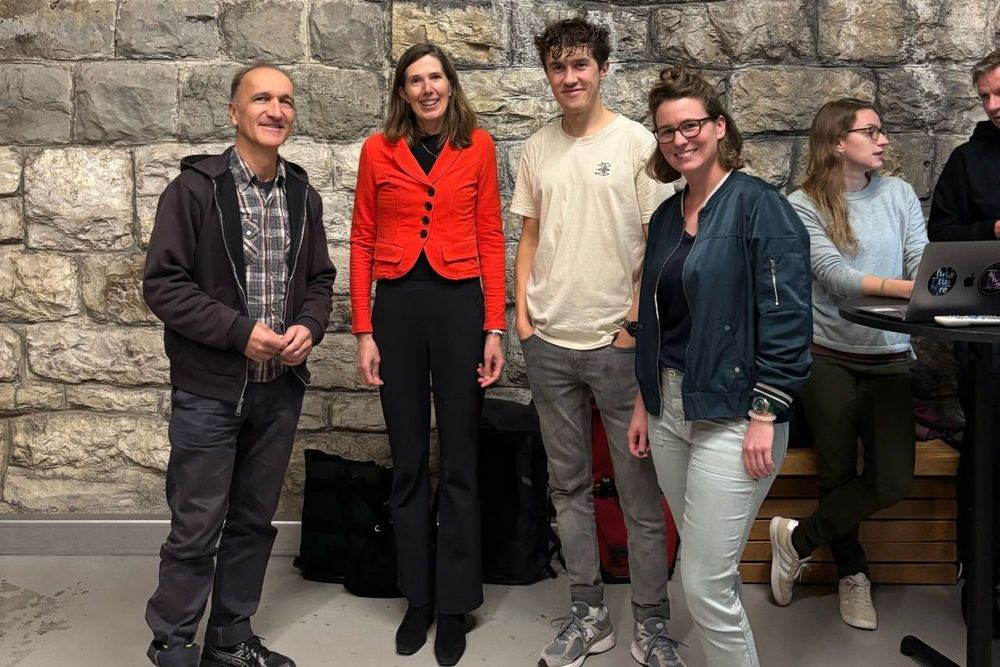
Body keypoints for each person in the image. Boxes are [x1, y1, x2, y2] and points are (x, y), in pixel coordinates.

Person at [142, 63, 335, 667]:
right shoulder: (194, 191)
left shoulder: (303, 195)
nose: (276, 110)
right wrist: (238, 332)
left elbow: (321, 282)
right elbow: (164, 286)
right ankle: (172, 641)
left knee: (253, 521)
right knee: (196, 524)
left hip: (278, 391)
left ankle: (230, 638)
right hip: (210, 392)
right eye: (262, 99)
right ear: (234, 113)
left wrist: (310, 324)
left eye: (286, 100)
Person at [629, 66, 812, 667]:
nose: (680, 140)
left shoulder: (761, 208)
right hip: (670, 410)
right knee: (712, 571)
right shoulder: (664, 217)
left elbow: (786, 322)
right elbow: (656, 322)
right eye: (666, 132)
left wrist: (767, 411)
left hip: (735, 414)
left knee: (703, 582)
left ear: (719, 127)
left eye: (691, 126)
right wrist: (643, 401)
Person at [511, 18, 679, 667]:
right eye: (558, 66)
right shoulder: (537, 149)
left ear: (602, 68)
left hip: (617, 345)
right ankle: (587, 612)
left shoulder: (638, 144)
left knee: (639, 495)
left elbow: (659, 245)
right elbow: (527, 237)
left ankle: (652, 622)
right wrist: (522, 318)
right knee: (568, 488)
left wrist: (633, 326)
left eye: (580, 64)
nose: (569, 77)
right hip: (548, 341)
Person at [349, 42, 505, 667]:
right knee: (409, 456)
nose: (427, 88)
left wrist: (495, 327)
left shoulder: (479, 146)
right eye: (415, 80)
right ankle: (417, 595)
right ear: (403, 91)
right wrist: (364, 329)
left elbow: (491, 233)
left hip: (460, 304)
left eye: (435, 77)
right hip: (398, 307)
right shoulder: (376, 149)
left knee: (462, 455)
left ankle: (454, 603)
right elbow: (361, 237)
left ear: (450, 83)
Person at [770, 99, 928, 631]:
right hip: (828, 356)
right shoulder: (802, 203)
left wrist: (924, 285)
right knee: (836, 475)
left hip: (889, 355)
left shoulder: (900, 194)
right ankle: (852, 574)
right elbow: (833, 276)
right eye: (872, 131)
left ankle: (796, 539)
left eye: (882, 131)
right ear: (839, 142)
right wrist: (914, 291)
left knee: (892, 480)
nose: (883, 140)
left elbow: (920, 260)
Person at [928, 48, 1000, 633]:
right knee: (986, 461)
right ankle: (983, 590)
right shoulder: (967, 161)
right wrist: (993, 229)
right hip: (988, 340)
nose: (993, 106)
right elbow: (942, 239)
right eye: (984, 97)